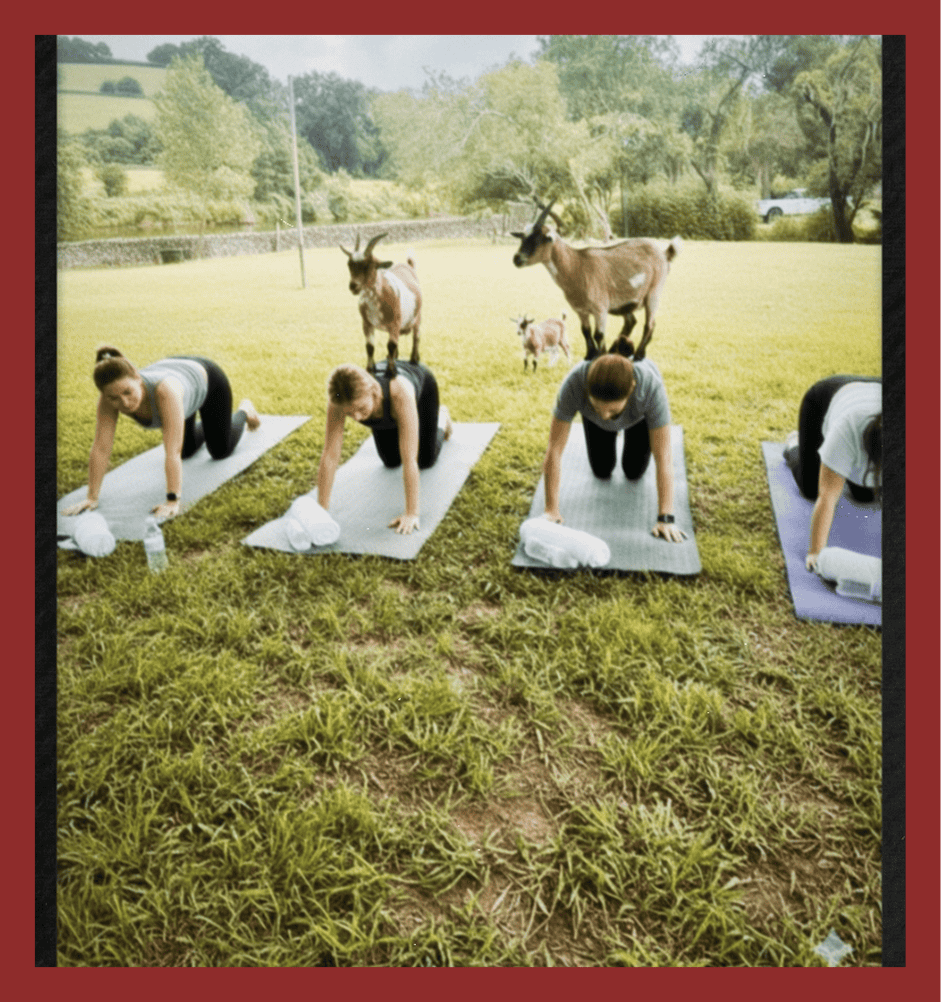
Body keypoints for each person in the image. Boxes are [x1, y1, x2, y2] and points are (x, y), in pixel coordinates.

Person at [62, 346, 260, 519]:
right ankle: (199, 423)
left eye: (127, 392)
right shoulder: (109, 397)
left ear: (137, 378)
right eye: (114, 398)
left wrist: (172, 500)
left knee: (219, 449)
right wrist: (91, 497)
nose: (124, 403)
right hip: (180, 389)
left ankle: (245, 410)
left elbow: (171, 451)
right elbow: (101, 448)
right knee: (186, 450)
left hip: (206, 379)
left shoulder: (165, 391)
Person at [540, 334, 687, 542]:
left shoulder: (649, 387)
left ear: (632, 389)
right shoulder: (574, 384)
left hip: (638, 418)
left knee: (634, 471)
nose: (605, 416)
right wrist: (551, 509)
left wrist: (666, 517)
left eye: (612, 411)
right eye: (598, 407)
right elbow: (554, 449)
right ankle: (603, 413)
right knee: (602, 469)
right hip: (594, 422)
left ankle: (623, 422)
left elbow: (663, 456)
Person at [316, 361, 452, 535]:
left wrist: (411, 513)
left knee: (425, 459)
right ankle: (395, 420)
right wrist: (322, 511)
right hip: (384, 409)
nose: (356, 417)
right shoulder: (339, 399)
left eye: (360, 409)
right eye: (349, 413)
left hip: (422, 391)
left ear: (374, 392)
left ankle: (442, 418)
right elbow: (330, 455)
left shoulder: (399, 393)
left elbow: (410, 458)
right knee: (390, 460)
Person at [784, 375, 882, 571]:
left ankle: (843, 466)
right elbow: (827, 496)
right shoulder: (848, 428)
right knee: (810, 488)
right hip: (824, 399)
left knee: (865, 495)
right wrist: (816, 553)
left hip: (876, 390)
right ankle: (794, 444)